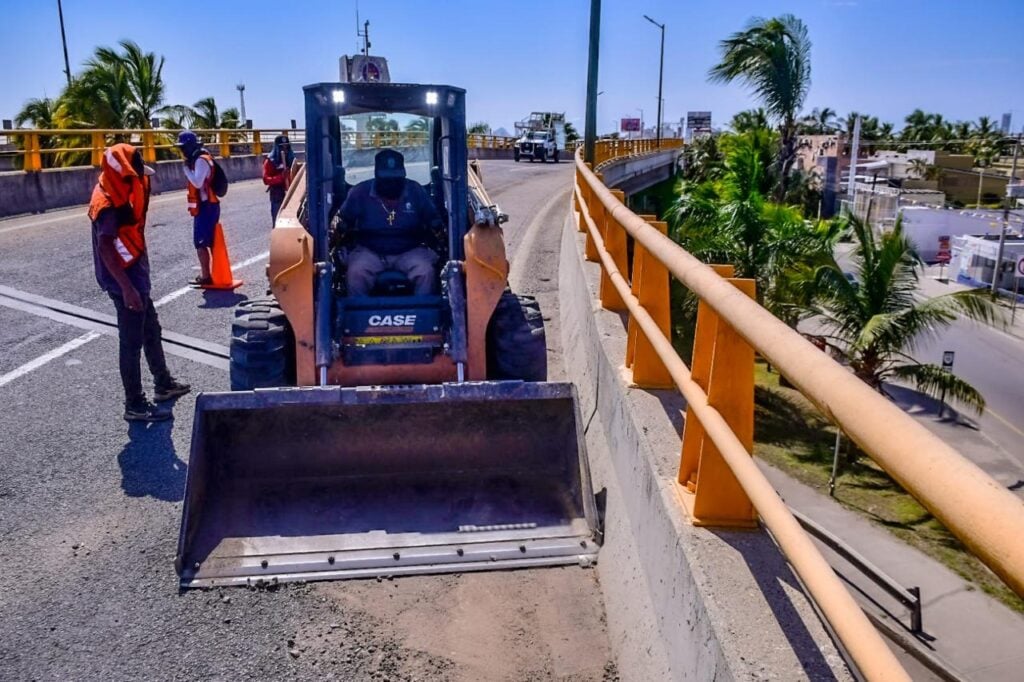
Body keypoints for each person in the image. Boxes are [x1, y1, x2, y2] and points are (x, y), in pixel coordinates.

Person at [88, 143, 191, 421]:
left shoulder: (118, 191)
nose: (142, 181)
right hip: (124, 280)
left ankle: (163, 383)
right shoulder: (108, 204)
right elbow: (106, 247)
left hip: (134, 275)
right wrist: (127, 289)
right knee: (131, 342)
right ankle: (134, 404)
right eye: (136, 175)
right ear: (124, 174)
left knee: (151, 330)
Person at [338, 149, 442, 296]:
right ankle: (358, 313)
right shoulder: (359, 192)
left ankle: (424, 315)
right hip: (370, 250)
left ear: (404, 174)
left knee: (425, 271)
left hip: (409, 250)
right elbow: (342, 221)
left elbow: (433, 219)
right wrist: (341, 243)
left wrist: (437, 239)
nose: (392, 183)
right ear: (376, 176)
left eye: (396, 178)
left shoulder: (415, 191)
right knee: (356, 272)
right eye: (387, 179)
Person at [175, 130, 220, 286]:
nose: (182, 151)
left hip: (206, 207)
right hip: (207, 206)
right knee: (209, 241)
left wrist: (186, 170)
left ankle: (207, 276)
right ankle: (215, 273)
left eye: (183, 148)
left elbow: (198, 183)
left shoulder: (201, 160)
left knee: (201, 243)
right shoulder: (201, 158)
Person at [263, 134, 293, 224]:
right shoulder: (270, 161)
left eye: (286, 146)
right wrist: (281, 177)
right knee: (277, 219)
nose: (285, 149)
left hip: (291, 192)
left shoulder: (291, 160)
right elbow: (266, 179)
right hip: (277, 193)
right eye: (282, 146)